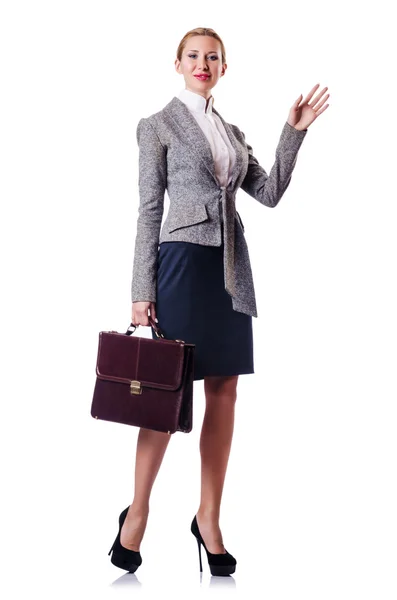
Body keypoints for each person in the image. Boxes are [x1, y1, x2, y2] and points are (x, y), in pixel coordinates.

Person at [108, 27, 330, 576]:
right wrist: (141, 291)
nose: (203, 63)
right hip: (180, 265)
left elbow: (270, 192)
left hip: (230, 270)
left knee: (224, 391)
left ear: (224, 68)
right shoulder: (156, 126)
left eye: (213, 57)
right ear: (177, 63)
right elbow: (147, 211)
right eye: (194, 56)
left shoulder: (231, 132)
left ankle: (209, 517)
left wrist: (293, 132)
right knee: (166, 393)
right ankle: (137, 513)